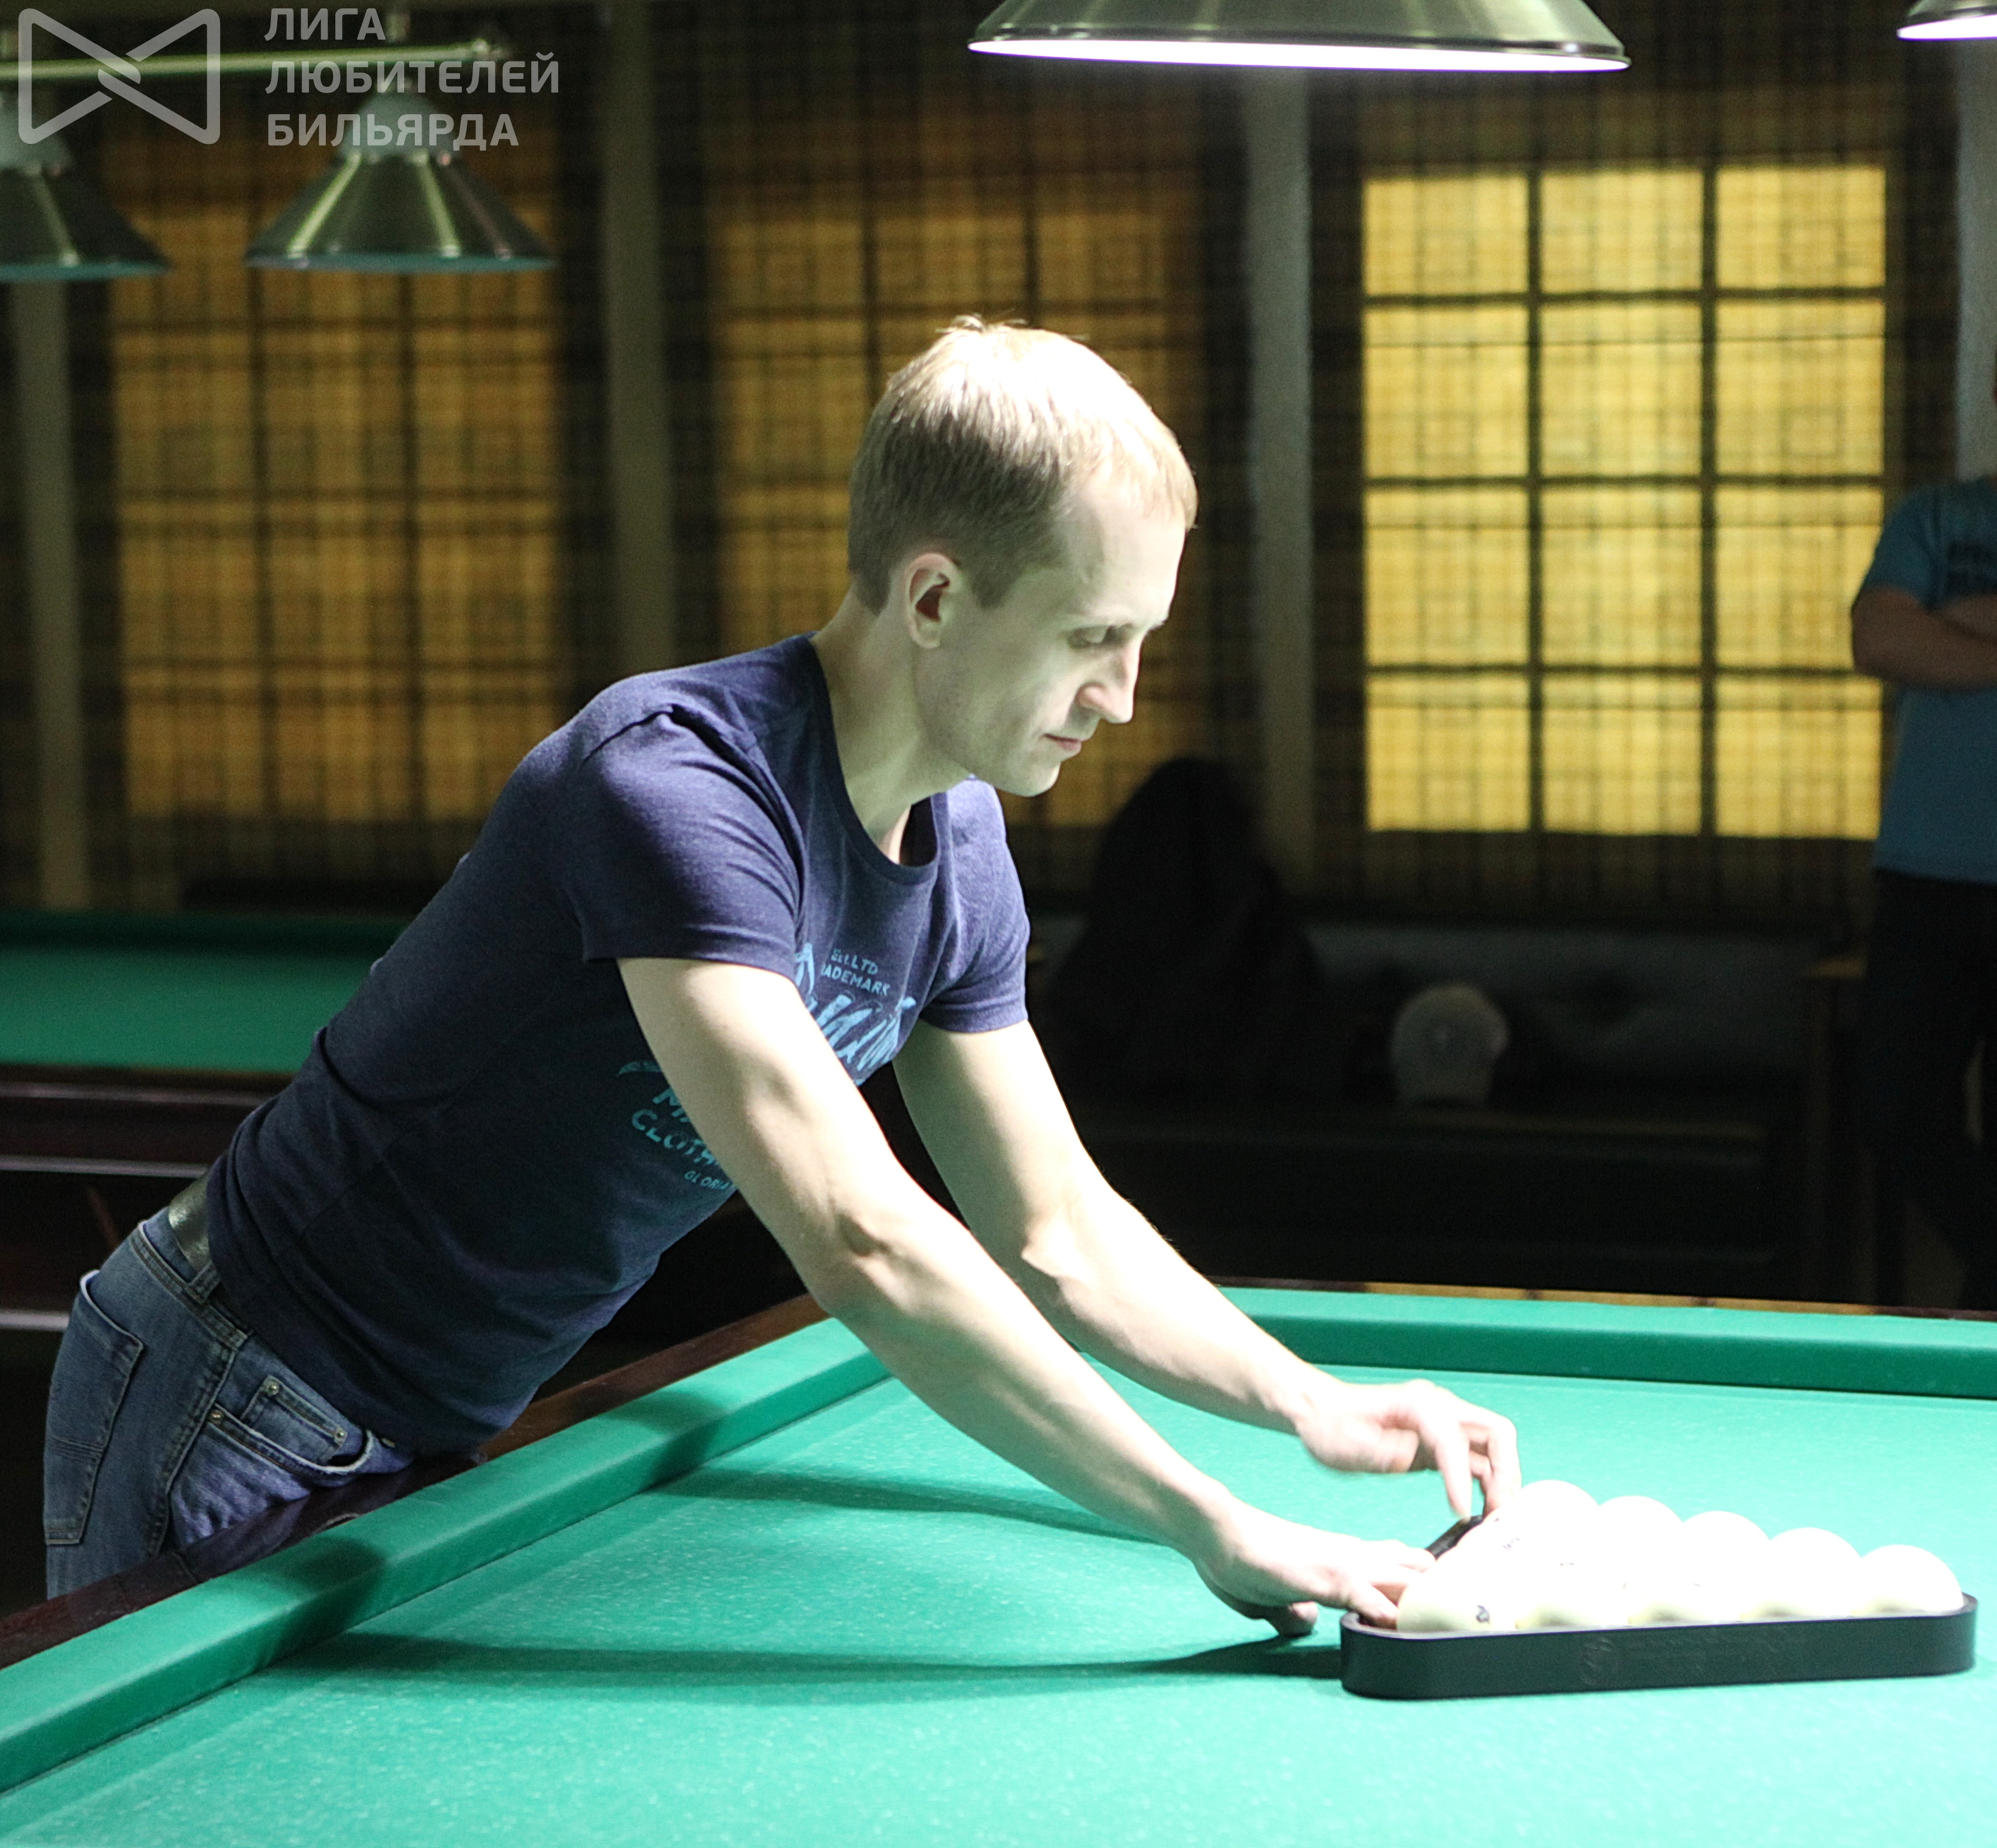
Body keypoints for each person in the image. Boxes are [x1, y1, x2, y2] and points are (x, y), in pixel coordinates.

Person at [45, 320, 1519, 1632]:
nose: (1123, 698)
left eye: (1140, 642)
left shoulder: (960, 844)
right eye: (1091, 637)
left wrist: (1309, 1401)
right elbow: (865, 1238)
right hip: (238, 1378)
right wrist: (1211, 1520)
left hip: (434, 1404)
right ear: (933, 597)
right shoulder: (675, 787)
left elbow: (1056, 1225)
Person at [1849, 355, 1997, 1310]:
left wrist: (1961, 625)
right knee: (1894, 1108)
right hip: (1924, 875)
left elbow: (1917, 635)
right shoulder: (1935, 518)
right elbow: (1878, 638)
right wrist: (1924, 630)